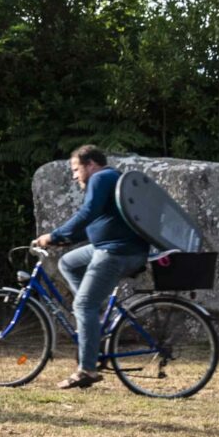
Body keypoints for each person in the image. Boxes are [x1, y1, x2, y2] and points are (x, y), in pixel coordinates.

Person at [34, 146, 149, 390]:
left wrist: (54, 235)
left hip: (116, 252)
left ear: (91, 164)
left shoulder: (101, 177)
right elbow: (97, 222)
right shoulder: (109, 178)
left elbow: (88, 212)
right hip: (111, 247)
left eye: (76, 169)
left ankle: (87, 369)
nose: (75, 176)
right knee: (68, 262)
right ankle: (96, 317)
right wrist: (64, 239)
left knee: (83, 304)